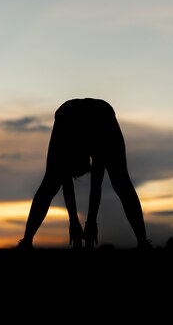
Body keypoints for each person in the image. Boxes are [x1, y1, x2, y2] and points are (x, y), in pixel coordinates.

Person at [17, 98, 151, 250]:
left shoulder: (93, 142)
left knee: (50, 185)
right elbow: (70, 183)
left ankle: (27, 242)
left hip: (99, 116)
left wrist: (90, 222)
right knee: (121, 184)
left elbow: (96, 183)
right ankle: (143, 243)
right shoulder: (65, 148)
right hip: (75, 115)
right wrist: (75, 221)